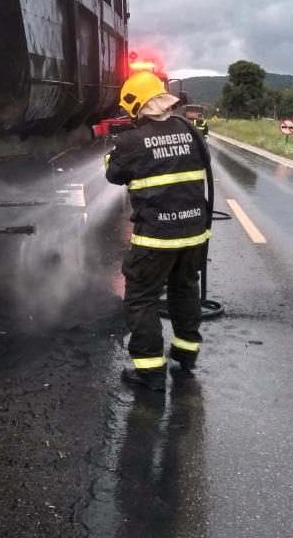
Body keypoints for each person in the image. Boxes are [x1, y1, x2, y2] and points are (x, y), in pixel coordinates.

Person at [105, 71, 212, 391]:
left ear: (135, 105)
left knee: (141, 297)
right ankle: (186, 354)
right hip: (194, 232)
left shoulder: (130, 141)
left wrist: (112, 154)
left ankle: (150, 370)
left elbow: (113, 174)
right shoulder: (190, 129)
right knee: (185, 290)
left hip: (156, 237)